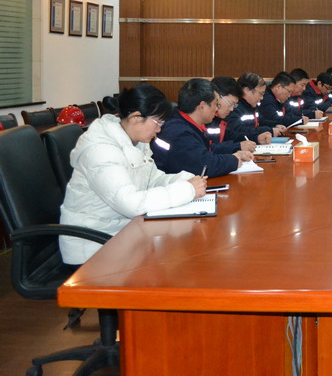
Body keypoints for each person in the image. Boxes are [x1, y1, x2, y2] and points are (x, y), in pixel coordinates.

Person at [59, 84, 207, 264]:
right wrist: (187, 190)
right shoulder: (101, 151)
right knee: (175, 262)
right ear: (136, 118)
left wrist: (186, 179)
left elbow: (153, 179)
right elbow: (131, 204)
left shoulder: (136, 141)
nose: (159, 130)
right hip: (93, 246)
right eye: (158, 123)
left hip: (123, 234)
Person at [151, 78, 252, 178]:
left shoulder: (185, 122)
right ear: (202, 106)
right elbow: (204, 165)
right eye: (215, 104)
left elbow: (204, 150)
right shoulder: (178, 131)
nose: (216, 109)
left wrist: (237, 153)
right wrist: (234, 160)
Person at [207, 76, 257, 154]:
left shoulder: (220, 119)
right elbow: (207, 149)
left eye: (234, 105)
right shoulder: (204, 119)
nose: (231, 109)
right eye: (230, 104)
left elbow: (231, 135)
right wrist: (238, 146)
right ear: (217, 97)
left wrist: (256, 137)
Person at [233, 72, 284, 141]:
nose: (262, 98)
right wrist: (269, 130)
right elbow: (240, 130)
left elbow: (261, 120)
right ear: (247, 90)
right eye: (260, 94)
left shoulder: (252, 106)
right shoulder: (234, 108)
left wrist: (275, 125)